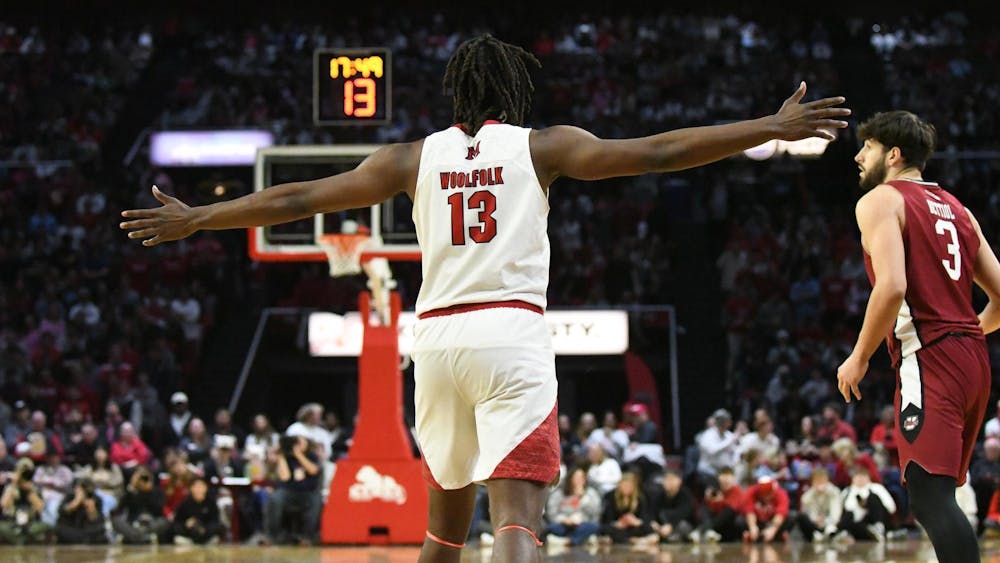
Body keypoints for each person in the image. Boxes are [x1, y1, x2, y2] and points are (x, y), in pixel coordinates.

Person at [120, 33, 849, 563]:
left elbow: (300, 198)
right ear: (514, 92)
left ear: (457, 94)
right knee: (516, 522)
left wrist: (200, 217)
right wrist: (769, 127)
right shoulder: (543, 146)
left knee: (442, 533)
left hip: (436, 342)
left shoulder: (410, 157)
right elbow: (657, 151)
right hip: (509, 334)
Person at [836, 111, 1000, 563]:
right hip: (973, 358)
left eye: (867, 147)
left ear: (893, 155)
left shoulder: (880, 200)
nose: (858, 156)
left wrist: (859, 356)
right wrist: (966, 332)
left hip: (930, 357)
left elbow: (892, 287)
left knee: (929, 497)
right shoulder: (960, 210)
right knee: (937, 493)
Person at [266, 435, 321, 545]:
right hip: (289, 491)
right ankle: (273, 536)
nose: (297, 445)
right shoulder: (286, 457)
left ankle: (308, 537)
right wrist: (281, 455)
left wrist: (298, 454)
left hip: (309, 491)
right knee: (275, 498)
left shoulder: (311, 456)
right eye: (295, 443)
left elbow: (313, 470)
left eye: (300, 442)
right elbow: (285, 477)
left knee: (315, 501)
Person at [833, 467, 896, 543]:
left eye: (863, 476)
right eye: (857, 477)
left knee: (873, 497)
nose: (860, 479)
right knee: (848, 515)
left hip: (874, 517)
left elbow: (891, 508)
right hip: (857, 522)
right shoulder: (847, 491)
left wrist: (867, 504)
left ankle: (878, 528)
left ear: (868, 478)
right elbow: (840, 510)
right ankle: (843, 533)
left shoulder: (877, 488)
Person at [544, 466, 601, 547]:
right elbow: (551, 514)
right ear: (570, 479)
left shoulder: (591, 494)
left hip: (583, 524)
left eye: (582, 478)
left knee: (593, 527)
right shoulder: (559, 494)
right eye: (577, 477)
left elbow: (595, 513)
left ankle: (568, 541)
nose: (579, 480)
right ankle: (582, 539)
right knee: (552, 528)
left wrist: (582, 498)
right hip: (563, 525)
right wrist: (564, 520)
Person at [113, 466, 170, 544]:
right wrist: (131, 488)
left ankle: (134, 538)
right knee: (116, 521)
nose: (143, 480)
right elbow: (120, 508)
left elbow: (159, 509)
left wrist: (149, 491)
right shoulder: (132, 492)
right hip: (133, 524)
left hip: (151, 522)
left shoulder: (158, 492)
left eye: (145, 477)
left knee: (164, 522)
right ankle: (145, 538)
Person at [0, 458, 49, 544]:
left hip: (30, 524)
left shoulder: (34, 488)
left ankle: (22, 540)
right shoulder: (11, 487)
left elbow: (40, 508)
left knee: (46, 527)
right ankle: (20, 540)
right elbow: (3, 504)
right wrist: (14, 483)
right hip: (12, 523)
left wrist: (29, 491)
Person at [599, 472, 655, 545]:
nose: (626, 488)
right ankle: (632, 540)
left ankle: (630, 540)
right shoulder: (610, 498)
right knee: (608, 531)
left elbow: (645, 520)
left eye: (629, 486)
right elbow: (606, 521)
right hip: (617, 529)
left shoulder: (640, 499)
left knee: (649, 530)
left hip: (633, 528)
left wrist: (636, 522)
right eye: (624, 485)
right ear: (619, 485)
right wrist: (618, 524)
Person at [691, 466, 745, 543]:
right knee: (703, 508)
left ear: (732, 479)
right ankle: (709, 532)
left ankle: (702, 530)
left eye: (728, 477)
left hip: (729, 523)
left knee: (729, 511)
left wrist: (720, 501)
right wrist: (708, 498)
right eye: (723, 477)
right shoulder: (715, 489)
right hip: (715, 520)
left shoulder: (737, 490)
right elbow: (708, 506)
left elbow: (733, 507)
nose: (725, 480)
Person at [792, 467, 842, 542]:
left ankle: (831, 535)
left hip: (831, 523)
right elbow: (809, 513)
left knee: (847, 516)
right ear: (812, 483)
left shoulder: (834, 492)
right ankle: (816, 536)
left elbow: (836, 513)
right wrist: (815, 519)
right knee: (801, 517)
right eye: (818, 481)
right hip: (815, 525)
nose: (820, 484)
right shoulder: (807, 496)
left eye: (823, 481)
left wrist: (827, 520)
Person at [648, 469, 695, 543]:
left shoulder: (686, 495)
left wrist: (671, 525)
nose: (668, 482)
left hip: (680, 525)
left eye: (671, 479)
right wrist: (654, 523)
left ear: (679, 481)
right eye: (666, 479)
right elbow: (651, 512)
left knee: (683, 526)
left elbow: (684, 513)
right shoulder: (659, 495)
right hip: (662, 527)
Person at [171, 477, 222, 545]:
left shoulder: (211, 503)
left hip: (206, 536)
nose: (198, 489)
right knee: (178, 539)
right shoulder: (184, 503)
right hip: (188, 536)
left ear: (206, 487)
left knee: (216, 537)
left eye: (201, 486)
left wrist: (205, 529)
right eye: (196, 486)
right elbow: (176, 523)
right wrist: (186, 525)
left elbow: (216, 522)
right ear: (191, 488)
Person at [54, 478, 106, 544]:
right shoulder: (70, 496)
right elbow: (62, 512)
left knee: (99, 533)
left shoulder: (96, 498)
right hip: (70, 527)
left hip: (88, 529)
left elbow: (97, 519)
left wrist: (91, 509)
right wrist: (76, 502)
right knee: (61, 530)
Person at [743, 476, 790, 543]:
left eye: (768, 494)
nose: (766, 497)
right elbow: (749, 510)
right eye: (763, 494)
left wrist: (773, 528)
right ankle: (755, 535)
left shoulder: (781, 493)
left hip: (772, 521)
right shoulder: (751, 491)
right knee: (740, 520)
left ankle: (777, 535)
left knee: (791, 516)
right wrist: (752, 526)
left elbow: (781, 513)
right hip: (758, 521)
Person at [696, 408, 738, 484]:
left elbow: (735, 451)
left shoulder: (729, 435)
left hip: (725, 470)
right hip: (708, 470)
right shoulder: (708, 435)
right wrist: (729, 442)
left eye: (726, 421)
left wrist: (734, 464)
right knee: (720, 480)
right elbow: (712, 451)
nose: (724, 423)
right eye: (721, 421)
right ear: (717, 422)